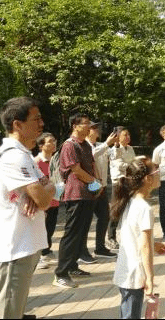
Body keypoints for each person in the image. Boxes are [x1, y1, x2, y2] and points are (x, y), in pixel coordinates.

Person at [0, 97, 56, 318]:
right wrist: (41, 193)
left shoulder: (23, 155)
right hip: (13, 250)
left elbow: (50, 186)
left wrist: (42, 191)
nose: (41, 124)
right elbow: (44, 200)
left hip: (23, 247)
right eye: (36, 119)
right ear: (17, 124)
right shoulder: (14, 157)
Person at [111, 156, 165, 319]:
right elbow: (144, 247)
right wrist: (150, 277)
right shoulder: (144, 208)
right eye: (156, 171)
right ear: (148, 179)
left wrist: (153, 243)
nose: (159, 173)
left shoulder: (130, 200)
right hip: (134, 273)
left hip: (126, 269)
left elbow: (134, 236)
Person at [53, 113, 102, 288]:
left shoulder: (85, 145)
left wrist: (97, 183)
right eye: (86, 123)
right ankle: (61, 273)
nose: (89, 127)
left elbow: (91, 166)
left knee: (81, 233)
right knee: (72, 233)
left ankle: (72, 266)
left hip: (87, 194)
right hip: (75, 194)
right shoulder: (69, 145)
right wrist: (94, 182)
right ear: (75, 126)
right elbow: (76, 170)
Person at [80, 122, 118, 260]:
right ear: (87, 131)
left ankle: (100, 247)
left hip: (102, 185)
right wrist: (107, 144)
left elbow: (114, 157)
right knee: (85, 219)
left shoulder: (102, 145)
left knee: (104, 216)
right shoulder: (84, 146)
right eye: (93, 128)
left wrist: (117, 144)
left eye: (97, 127)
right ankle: (82, 251)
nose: (97, 130)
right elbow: (92, 156)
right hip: (90, 185)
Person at [107, 127, 136, 249]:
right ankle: (111, 237)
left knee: (129, 210)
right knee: (116, 210)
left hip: (130, 182)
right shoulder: (113, 150)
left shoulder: (130, 148)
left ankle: (129, 236)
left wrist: (133, 166)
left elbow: (134, 162)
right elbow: (120, 165)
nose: (128, 137)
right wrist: (133, 166)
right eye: (125, 135)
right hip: (118, 182)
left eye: (128, 134)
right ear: (117, 137)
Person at [34, 132, 59, 269]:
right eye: (49, 141)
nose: (53, 143)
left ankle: (46, 250)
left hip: (55, 199)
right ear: (41, 146)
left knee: (50, 227)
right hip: (43, 201)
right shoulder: (36, 162)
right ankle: (38, 256)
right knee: (41, 228)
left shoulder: (55, 161)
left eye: (54, 141)